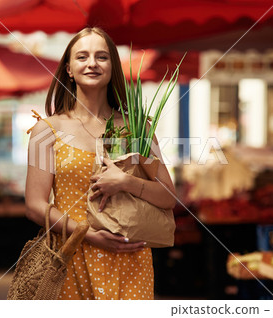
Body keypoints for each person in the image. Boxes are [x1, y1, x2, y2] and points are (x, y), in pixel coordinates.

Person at [25, 27, 176, 300]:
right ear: (69, 68)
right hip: (71, 257)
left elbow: (168, 197)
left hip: (130, 259)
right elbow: (35, 205)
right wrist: (88, 234)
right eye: (82, 57)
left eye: (101, 57)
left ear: (112, 67)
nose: (92, 63)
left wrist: (127, 182)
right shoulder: (45, 131)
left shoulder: (137, 129)